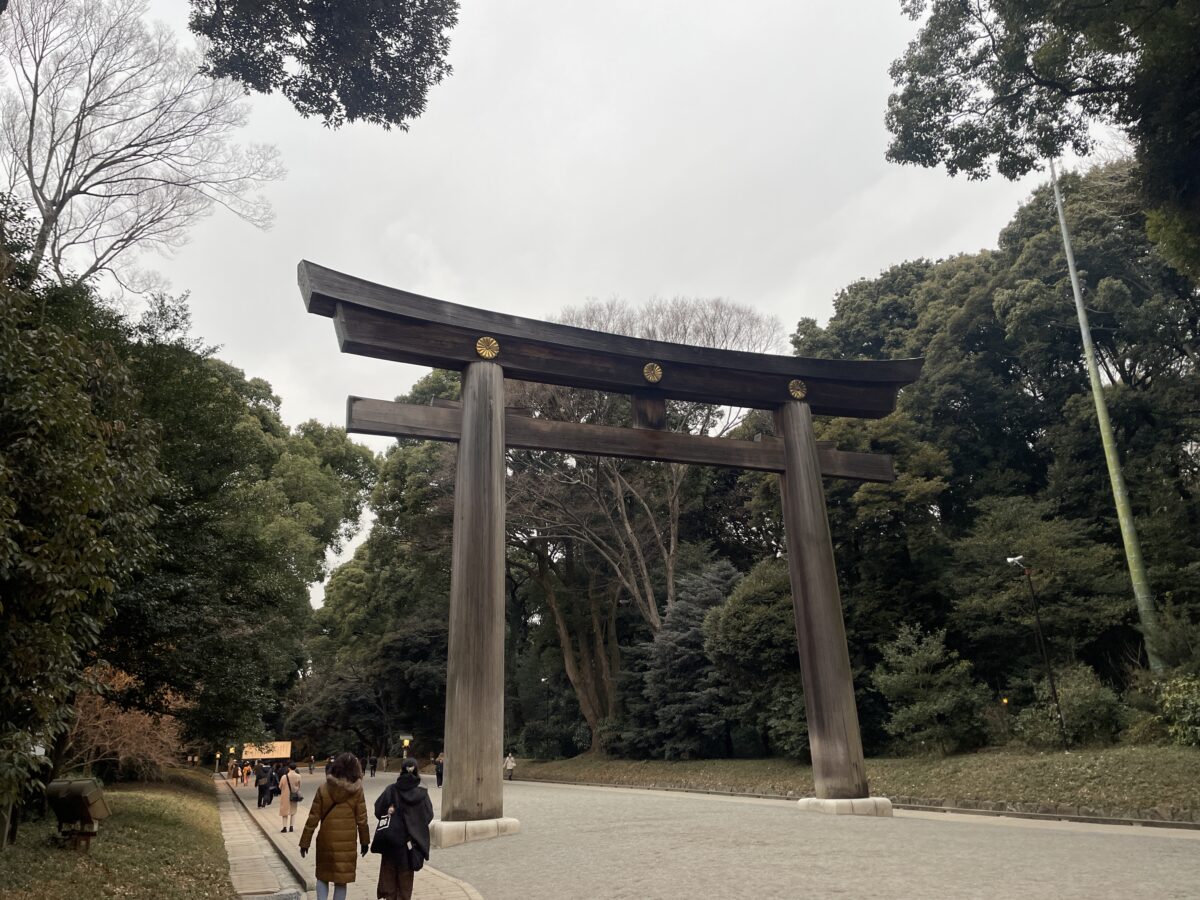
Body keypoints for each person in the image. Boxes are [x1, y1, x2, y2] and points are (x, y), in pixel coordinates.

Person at [300, 752, 370, 900]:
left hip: (326, 838)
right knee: (341, 880)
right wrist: (365, 841)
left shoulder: (324, 788)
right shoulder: (357, 791)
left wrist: (304, 842)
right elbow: (362, 819)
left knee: (323, 876)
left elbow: (313, 817)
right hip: (347, 842)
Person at [374, 757, 434, 900]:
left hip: (390, 842)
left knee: (389, 880)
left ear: (401, 770)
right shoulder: (422, 794)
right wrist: (415, 823)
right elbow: (428, 815)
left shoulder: (391, 790)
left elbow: (378, 810)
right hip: (410, 845)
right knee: (405, 884)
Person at [279, 762, 303, 833]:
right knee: (293, 811)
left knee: (284, 812)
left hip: (285, 796)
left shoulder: (284, 777)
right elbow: (299, 786)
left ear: (289, 768)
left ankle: (284, 827)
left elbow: (280, 786)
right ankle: (291, 827)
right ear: (295, 768)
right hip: (294, 795)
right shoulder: (298, 776)